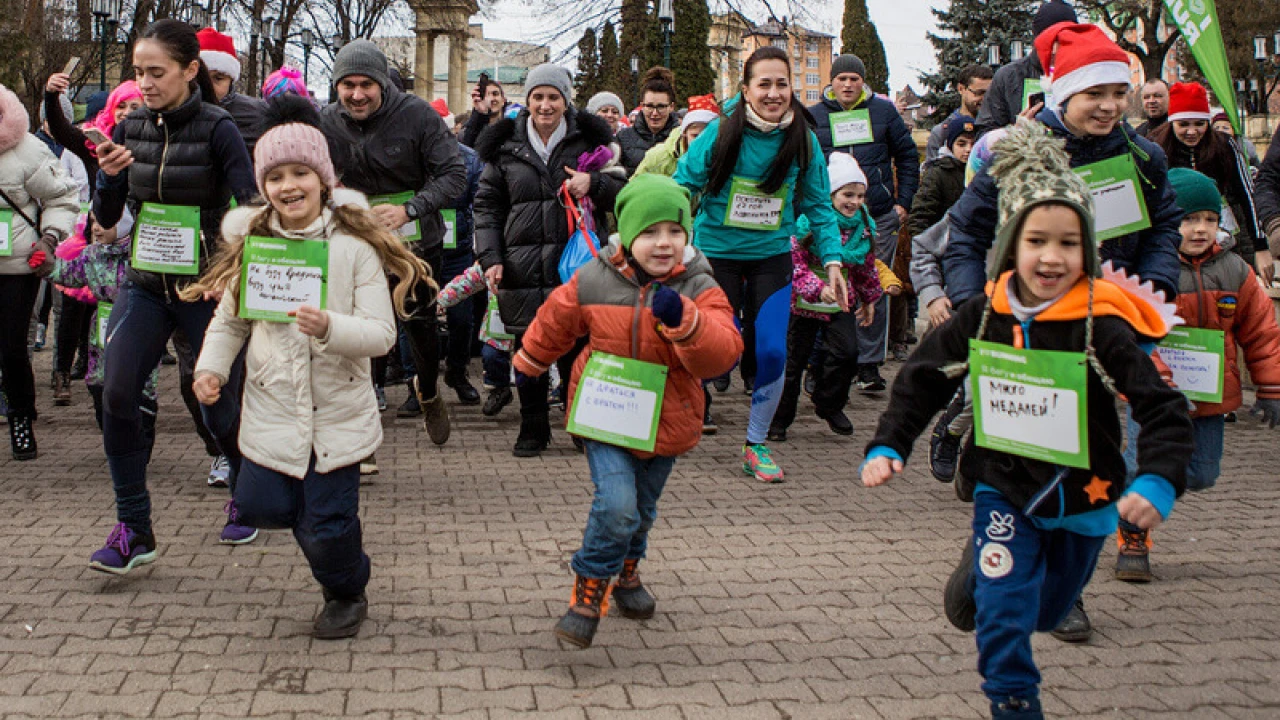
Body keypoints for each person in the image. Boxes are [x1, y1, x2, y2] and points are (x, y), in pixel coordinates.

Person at [861, 120, 1193, 720]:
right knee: (1007, 612)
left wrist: (1158, 480)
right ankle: (1013, 701)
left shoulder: (1102, 324)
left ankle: (979, 582)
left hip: (1088, 497)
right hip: (1005, 486)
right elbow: (923, 376)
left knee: (1045, 609)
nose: (1051, 256)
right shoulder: (987, 314)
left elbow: (1162, 406)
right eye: (1036, 240)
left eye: (1069, 243)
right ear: (1011, 245)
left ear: (1087, 250)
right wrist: (890, 444)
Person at [942, 22, 1186, 641]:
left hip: (1107, 328)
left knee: (1095, 457)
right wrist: (979, 306)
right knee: (1040, 449)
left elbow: (1164, 229)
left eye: (1116, 93)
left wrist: (1152, 291)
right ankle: (993, 547)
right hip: (1027, 325)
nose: (1107, 106)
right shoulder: (1017, 151)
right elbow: (966, 233)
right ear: (1063, 95)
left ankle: (1060, 588)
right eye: (1093, 94)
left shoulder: (1144, 156)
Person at [189, 94, 425, 640]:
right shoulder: (258, 244)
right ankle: (330, 551)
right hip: (273, 407)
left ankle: (347, 588)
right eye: (275, 176)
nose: (288, 186)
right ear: (262, 185)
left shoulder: (354, 248)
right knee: (258, 505)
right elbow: (230, 322)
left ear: (323, 179)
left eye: (300, 173)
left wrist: (330, 328)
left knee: (327, 524)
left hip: (336, 414)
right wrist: (212, 370)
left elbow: (382, 334)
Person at [511, 174, 741, 648]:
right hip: (607, 413)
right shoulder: (596, 276)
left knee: (642, 508)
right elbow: (558, 316)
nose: (663, 243)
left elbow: (723, 353)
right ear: (628, 233)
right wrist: (531, 359)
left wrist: (687, 322)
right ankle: (589, 588)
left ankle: (628, 572)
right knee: (617, 507)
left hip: (667, 417)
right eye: (650, 232)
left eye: (675, 232)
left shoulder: (699, 283)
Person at [80, 19, 259, 574]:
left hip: (204, 287)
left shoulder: (218, 127)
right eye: (138, 72)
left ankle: (244, 486)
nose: (146, 83)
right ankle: (135, 529)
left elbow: (250, 204)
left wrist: (229, 267)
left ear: (189, 70)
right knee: (116, 391)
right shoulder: (131, 126)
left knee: (216, 399)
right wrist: (107, 179)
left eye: (157, 72)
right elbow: (108, 219)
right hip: (146, 283)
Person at [675, 45, 851, 483]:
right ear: (747, 89)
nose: (774, 93)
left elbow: (818, 204)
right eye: (764, 84)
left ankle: (755, 444)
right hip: (717, 254)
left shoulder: (803, 138)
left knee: (773, 350)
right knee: (712, 349)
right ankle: (682, 419)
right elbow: (681, 186)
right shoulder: (720, 132)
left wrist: (832, 260)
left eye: (781, 84)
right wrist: (669, 240)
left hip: (772, 255)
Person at [1113, 168, 1280, 583]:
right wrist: (1158, 384)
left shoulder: (1235, 271)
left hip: (1209, 395)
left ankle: (1136, 486)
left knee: (1202, 473)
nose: (1200, 228)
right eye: (1189, 219)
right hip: (1153, 397)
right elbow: (1134, 336)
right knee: (1143, 465)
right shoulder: (1152, 270)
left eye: (1209, 218)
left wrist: (1271, 387)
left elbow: (1261, 331)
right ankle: (1133, 533)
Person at [319, 39, 467, 445]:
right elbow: (311, 174)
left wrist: (409, 210)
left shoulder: (417, 115)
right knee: (359, 327)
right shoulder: (326, 120)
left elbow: (454, 175)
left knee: (417, 325)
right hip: (356, 238)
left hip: (414, 243)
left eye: (366, 84)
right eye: (347, 85)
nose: (356, 94)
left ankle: (429, 391)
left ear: (383, 83)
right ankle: (361, 421)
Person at [474, 63, 626, 457]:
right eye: (538, 96)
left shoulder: (591, 140)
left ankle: (581, 423)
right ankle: (533, 427)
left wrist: (594, 183)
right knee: (530, 349)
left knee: (581, 349)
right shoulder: (505, 145)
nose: (545, 105)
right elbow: (487, 206)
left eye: (553, 97)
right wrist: (491, 256)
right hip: (520, 265)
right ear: (527, 100)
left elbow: (624, 191)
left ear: (566, 99)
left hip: (575, 264)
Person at [806, 52, 920, 393]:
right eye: (842, 78)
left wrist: (903, 202)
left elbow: (908, 156)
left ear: (862, 82)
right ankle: (826, 360)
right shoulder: (815, 116)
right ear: (832, 81)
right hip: (828, 218)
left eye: (854, 78)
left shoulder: (883, 112)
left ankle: (870, 365)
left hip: (878, 213)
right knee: (829, 281)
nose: (848, 84)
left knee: (874, 284)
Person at [769, 153, 884, 441]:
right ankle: (779, 419)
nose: (854, 202)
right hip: (802, 303)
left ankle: (829, 403)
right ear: (830, 194)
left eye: (860, 196)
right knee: (793, 363)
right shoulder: (808, 225)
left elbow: (865, 268)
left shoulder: (864, 227)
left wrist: (870, 299)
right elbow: (793, 265)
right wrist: (817, 288)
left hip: (839, 302)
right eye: (847, 194)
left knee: (847, 353)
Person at [0, 82, 80, 460]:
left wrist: (49, 239)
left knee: (13, 348)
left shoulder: (27, 150)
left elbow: (62, 197)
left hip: (17, 265)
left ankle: (20, 418)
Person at [1147, 82, 1269, 278]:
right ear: (1172, 123)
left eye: (1199, 123)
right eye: (1183, 124)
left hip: (1220, 235)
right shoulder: (1155, 147)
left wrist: (1260, 246)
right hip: (1172, 240)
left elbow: (1247, 194)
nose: (1192, 131)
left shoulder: (1225, 145)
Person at [974, 1, 1078, 137]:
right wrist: (1014, 133)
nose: (1056, 47)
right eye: (1051, 39)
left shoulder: (1085, 73)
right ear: (1037, 39)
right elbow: (983, 136)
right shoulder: (1009, 76)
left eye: (1066, 38)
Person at [910, 114, 976, 326]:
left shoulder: (983, 173)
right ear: (950, 145)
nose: (968, 149)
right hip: (942, 251)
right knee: (943, 318)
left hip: (969, 255)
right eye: (961, 143)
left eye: (973, 144)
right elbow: (920, 216)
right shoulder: (939, 173)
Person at [198, 27, 268, 155]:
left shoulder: (257, 115)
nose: (208, 86)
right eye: (200, 78)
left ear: (231, 80)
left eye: (218, 78)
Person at [616, 67, 680, 174]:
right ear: (642, 106)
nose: (655, 113)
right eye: (650, 106)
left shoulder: (681, 139)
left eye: (661, 107)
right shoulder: (623, 138)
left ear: (671, 107)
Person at [925, 65, 992, 164]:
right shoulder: (942, 132)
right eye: (979, 93)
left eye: (989, 93)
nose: (985, 99)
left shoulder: (994, 128)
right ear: (961, 89)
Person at [634, 108, 716, 177]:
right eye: (695, 136)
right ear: (684, 134)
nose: (701, 141)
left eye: (707, 137)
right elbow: (635, 186)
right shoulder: (658, 157)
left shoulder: (720, 158)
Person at [461, 74, 523, 148]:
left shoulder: (516, 129)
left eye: (495, 94)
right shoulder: (466, 132)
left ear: (503, 100)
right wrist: (480, 113)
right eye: (486, 95)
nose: (491, 98)